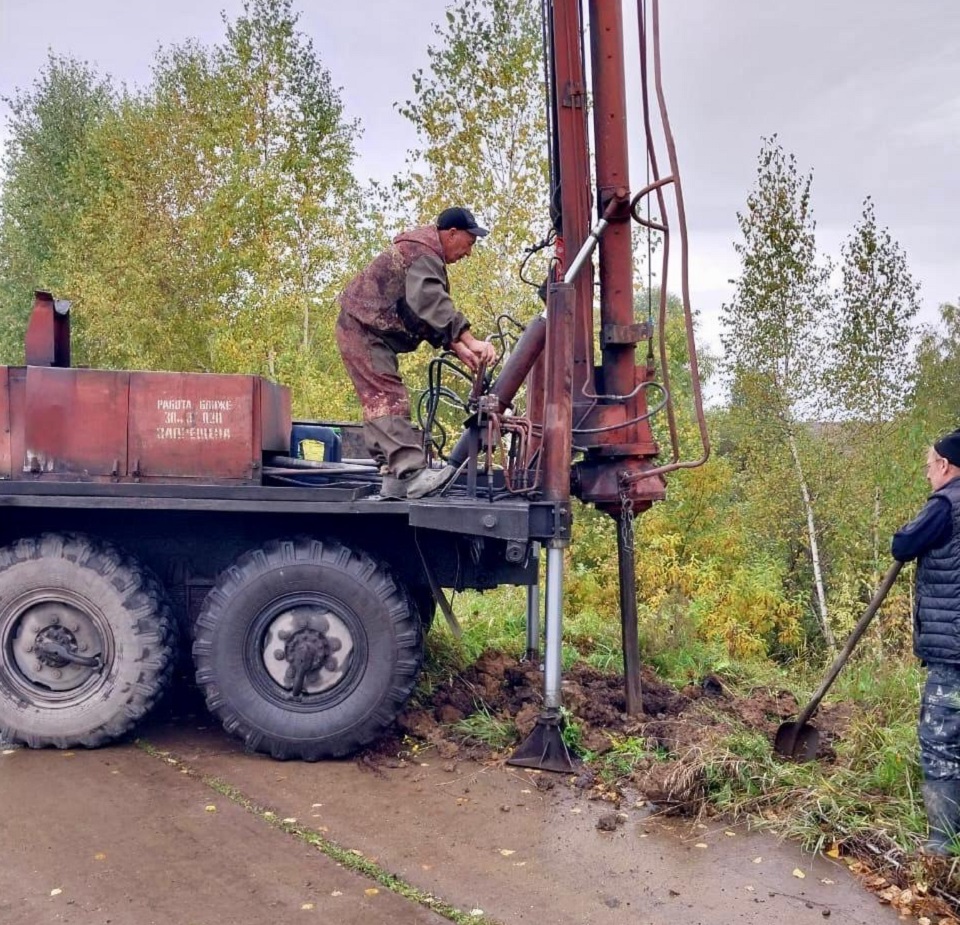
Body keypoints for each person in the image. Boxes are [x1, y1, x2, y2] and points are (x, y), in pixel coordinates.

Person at [335, 207, 497, 500]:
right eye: (469, 243)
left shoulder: (423, 253)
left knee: (380, 401)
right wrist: (470, 340)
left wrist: (456, 346)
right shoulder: (423, 253)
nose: (468, 253)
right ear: (452, 234)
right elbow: (429, 300)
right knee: (387, 399)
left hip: (367, 329)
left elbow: (417, 313)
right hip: (363, 329)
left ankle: (394, 479)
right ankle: (411, 475)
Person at [892, 428, 960, 855]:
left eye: (929, 467)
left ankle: (942, 842)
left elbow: (903, 543)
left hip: (953, 650)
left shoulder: (946, 504)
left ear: (946, 467)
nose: (927, 476)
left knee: (941, 737)